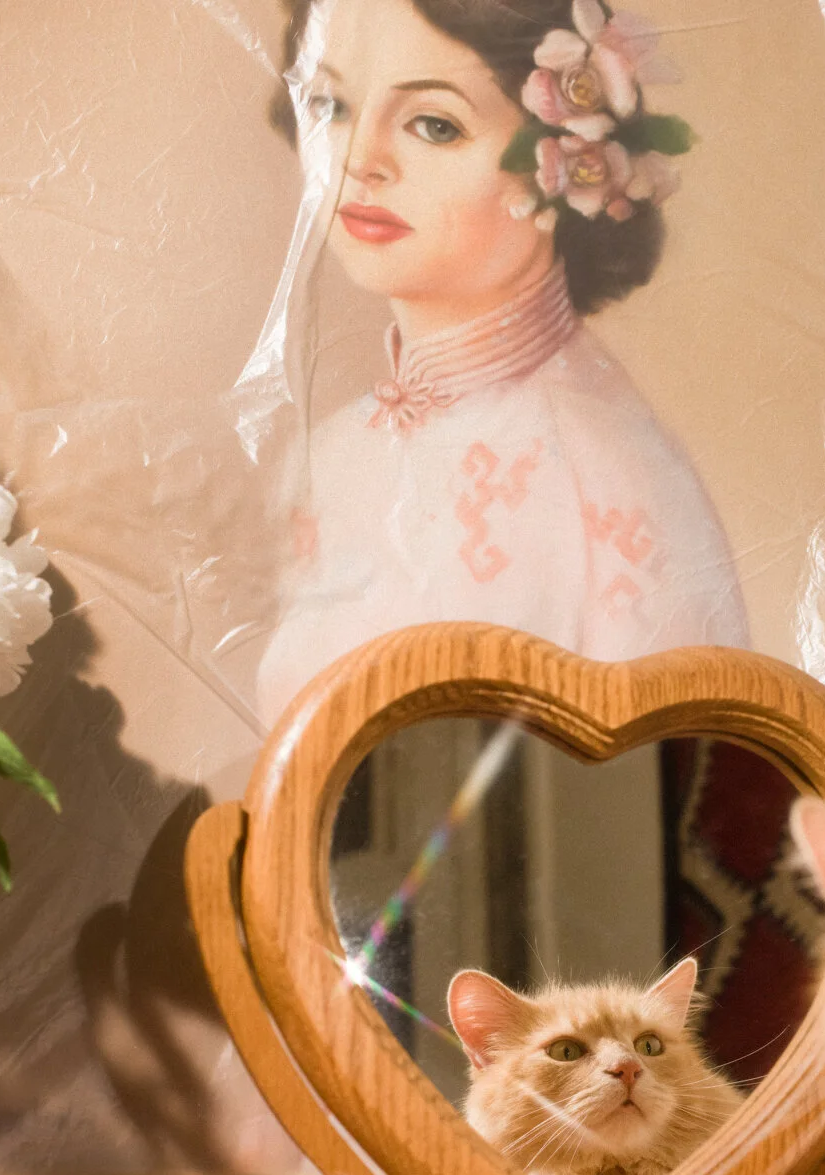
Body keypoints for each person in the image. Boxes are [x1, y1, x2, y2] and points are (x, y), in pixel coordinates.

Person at [257, 0, 749, 726]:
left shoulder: (601, 476)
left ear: (566, 162)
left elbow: (674, 776)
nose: (360, 159)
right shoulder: (327, 454)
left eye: (435, 125)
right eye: (332, 106)